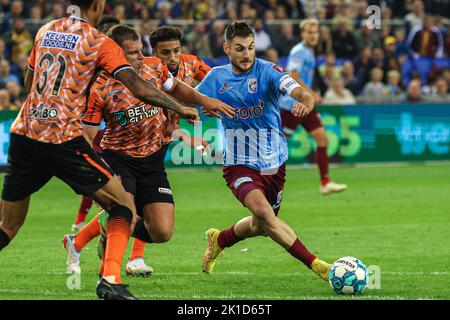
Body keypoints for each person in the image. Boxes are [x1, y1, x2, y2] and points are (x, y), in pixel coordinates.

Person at [0, 0, 226, 301]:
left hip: (25, 132)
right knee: (123, 208)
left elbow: (30, 83)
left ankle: (94, 256)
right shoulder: (98, 43)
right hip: (64, 137)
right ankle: (110, 280)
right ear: (97, 6)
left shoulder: (46, 30)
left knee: (8, 225)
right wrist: (180, 108)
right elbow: (139, 88)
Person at [63, 25, 221, 277]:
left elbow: (177, 88)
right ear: (115, 55)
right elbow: (86, 135)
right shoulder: (100, 88)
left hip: (153, 159)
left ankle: (86, 235)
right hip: (118, 158)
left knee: (162, 231)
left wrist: (204, 102)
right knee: (125, 212)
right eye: (133, 53)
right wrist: (86, 169)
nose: (140, 56)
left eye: (140, 50)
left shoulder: (154, 67)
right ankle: (111, 275)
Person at [197, 21, 331, 282]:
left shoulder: (268, 70)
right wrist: (202, 113)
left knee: (262, 224)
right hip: (239, 164)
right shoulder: (216, 78)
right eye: (239, 48)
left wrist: (305, 100)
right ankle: (317, 265)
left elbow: (299, 91)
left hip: (274, 163)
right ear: (226, 48)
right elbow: (189, 102)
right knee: (265, 215)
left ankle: (219, 239)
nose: (247, 54)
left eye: (250, 47)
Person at [278, 19, 347, 195]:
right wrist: (311, 94)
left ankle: (325, 182)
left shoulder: (309, 51)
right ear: (302, 34)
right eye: (309, 32)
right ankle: (262, 177)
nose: (313, 35)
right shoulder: (299, 51)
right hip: (291, 105)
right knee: (278, 144)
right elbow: (292, 75)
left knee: (322, 138)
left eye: (315, 32)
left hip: (304, 104)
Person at [70, 15, 121, 233]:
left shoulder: (122, 58)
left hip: (115, 127)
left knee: (111, 179)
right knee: (99, 175)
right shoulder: (91, 58)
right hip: (92, 125)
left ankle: (88, 226)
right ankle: (86, 223)